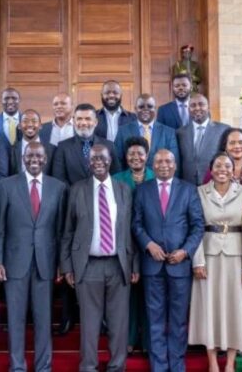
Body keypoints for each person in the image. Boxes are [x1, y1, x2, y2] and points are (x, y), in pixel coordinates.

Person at [61, 144, 138, 372]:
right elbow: (68, 231)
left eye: (102, 158)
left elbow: (131, 230)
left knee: (119, 322)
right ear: (89, 163)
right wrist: (67, 266)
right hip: (88, 265)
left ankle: (117, 366)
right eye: (94, 158)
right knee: (89, 322)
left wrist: (134, 264)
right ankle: (89, 366)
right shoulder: (77, 190)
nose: (98, 162)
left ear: (110, 161)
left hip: (118, 264)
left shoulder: (124, 189)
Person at [0, 141, 68, 372]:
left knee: (43, 319)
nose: (34, 159)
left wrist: (61, 263)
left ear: (45, 159)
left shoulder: (58, 187)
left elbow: (60, 230)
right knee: (15, 319)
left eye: (38, 156)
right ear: (22, 158)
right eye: (29, 156)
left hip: (45, 262)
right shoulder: (6, 186)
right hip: (14, 262)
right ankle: (17, 366)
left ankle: (43, 366)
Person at [132, 149, 204, 372]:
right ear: (153, 165)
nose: (164, 165)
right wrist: (148, 244)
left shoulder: (188, 190)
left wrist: (185, 251)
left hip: (179, 265)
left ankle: (177, 365)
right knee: (154, 319)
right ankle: (159, 367)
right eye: (159, 161)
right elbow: (136, 224)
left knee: (178, 320)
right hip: (152, 265)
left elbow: (198, 225)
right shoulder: (142, 190)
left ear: (175, 164)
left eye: (168, 161)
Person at [51, 103, 120, 334]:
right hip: (74, 212)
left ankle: (102, 320)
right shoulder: (63, 147)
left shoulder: (108, 146)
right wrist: (77, 201)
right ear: (74, 121)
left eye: (88, 119)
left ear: (96, 121)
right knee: (72, 260)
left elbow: (115, 178)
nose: (83, 123)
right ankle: (68, 316)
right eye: (79, 119)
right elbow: (59, 181)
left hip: (104, 215)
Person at [188, 153, 242, 372]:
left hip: (236, 257)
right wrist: (197, 260)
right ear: (211, 169)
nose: (223, 169)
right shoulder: (199, 192)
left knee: (235, 306)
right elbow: (195, 226)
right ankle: (213, 363)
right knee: (210, 306)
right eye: (218, 165)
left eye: (227, 165)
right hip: (208, 256)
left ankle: (230, 363)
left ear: (234, 169)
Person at [112, 136, 155, 353]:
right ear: (125, 157)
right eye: (131, 154)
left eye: (140, 153)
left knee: (149, 295)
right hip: (124, 243)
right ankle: (128, 339)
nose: (135, 157)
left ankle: (147, 341)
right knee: (127, 295)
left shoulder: (156, 176)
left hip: (151, 244)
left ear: (147, 156)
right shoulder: (116, 179)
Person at [114, 94, 179, 170]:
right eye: (141, 107)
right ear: (135, 109)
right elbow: (118, 161)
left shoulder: (169, 132)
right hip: (131, 176)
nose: (145, 109)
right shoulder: (123, 131)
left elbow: (174, 161)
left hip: (159, 176)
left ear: (155, 108)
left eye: (150, 106)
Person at [177, 93, 230, 185]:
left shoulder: (223, 130)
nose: (197, 108)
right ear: (188, 109)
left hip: (214, 183)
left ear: (208, 107)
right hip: (188, 184)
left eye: (201, 104)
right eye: (193, 105)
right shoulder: (180, 133)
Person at [9, 109, 56, 176]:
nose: (30, 124)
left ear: (40, 126)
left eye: (34, 121)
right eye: (25, 121)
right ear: (19, 126)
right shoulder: (11, 150)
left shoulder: (52, 149)